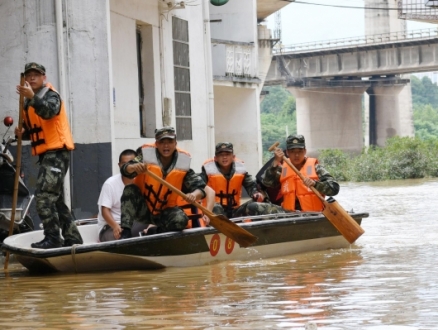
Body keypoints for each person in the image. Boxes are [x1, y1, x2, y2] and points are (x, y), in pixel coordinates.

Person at [15, 62, 83, 249]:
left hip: (57, 153)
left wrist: (31, 97)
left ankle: (52, 238)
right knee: (56, 199)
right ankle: (73, 238)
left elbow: (49, 112)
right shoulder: (27, 102)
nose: (32, 78)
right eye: (29, 75)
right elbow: (37, 130)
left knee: (44, 196)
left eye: (36, 75)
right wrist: (22, 133)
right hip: (46, 154)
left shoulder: (51, 95)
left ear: (44, 77)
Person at [118, 126, 206, 238]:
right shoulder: (146, 156)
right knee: (130, 190)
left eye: (169, 142)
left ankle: (156, 232)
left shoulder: (183, 162)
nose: (166, 146)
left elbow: (200, 187)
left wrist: (194, 195)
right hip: (143, 209)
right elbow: (125, 169)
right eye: (162, 142)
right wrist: (133, 167)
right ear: (157, 144)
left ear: (175, 143)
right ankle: (126, 232)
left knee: (181, 220)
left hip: (165, 211)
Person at [200, 142, 285, 218]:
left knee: (256, 205)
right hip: (214, 210)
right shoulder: (208, 169)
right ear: (216, 158)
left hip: (235, 210)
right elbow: (198, 187)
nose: (224, 157)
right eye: (221, 155)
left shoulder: (240, 168)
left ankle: (283, 215)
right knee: (216, 208)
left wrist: (256, 193)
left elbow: (250, 185)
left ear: (233, 157)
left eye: (227, 154)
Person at [262, 134, 340, 212]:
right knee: (253, 206)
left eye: (300, 151)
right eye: (292, 152)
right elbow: (267, 183)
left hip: (312, 214)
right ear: (287, 153)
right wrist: (276, 162)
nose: (296, 155)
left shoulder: (316, 167)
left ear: (305, 151)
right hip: (289, 213)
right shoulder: (282, 169)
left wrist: (315, 184)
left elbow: (335, 188)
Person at [97, 149, 137, 242]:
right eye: (124, 164)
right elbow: (104, 210)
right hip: (110, 227)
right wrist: (115, 226)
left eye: (131, 163)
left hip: (132, 225)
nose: (127, 167)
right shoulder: (110, 184)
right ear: (119, 166)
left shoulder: (142, 181)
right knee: (124, 236)